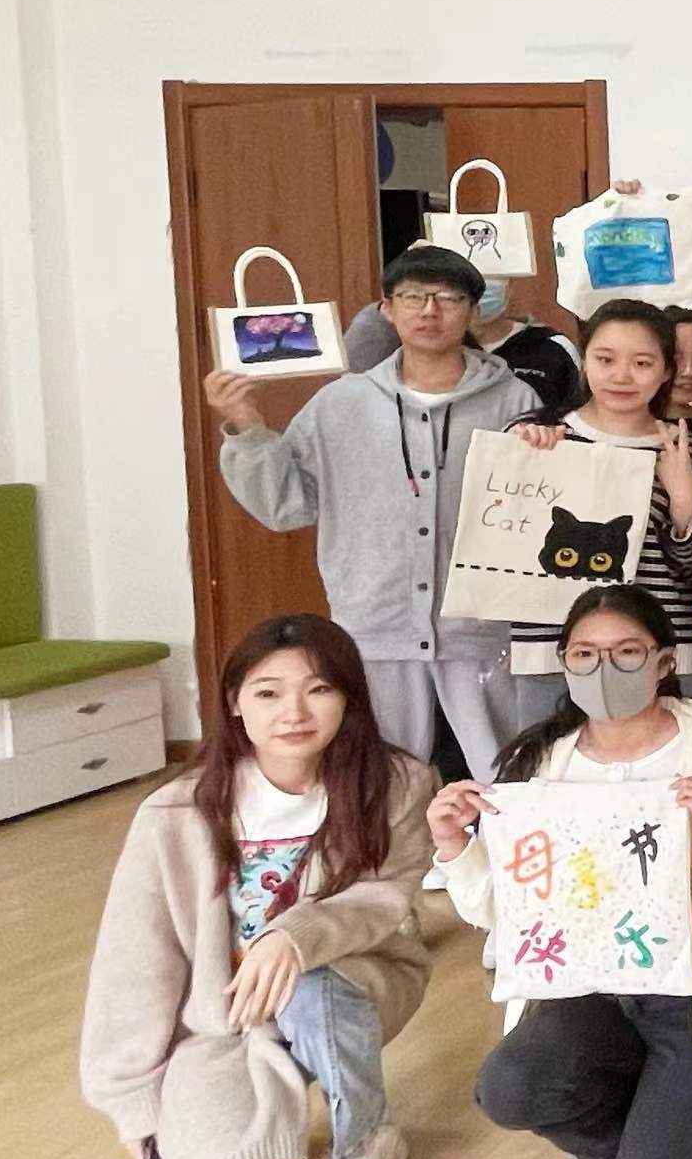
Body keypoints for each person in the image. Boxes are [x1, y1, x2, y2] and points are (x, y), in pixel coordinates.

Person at [432, 587, 692, 1159]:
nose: (604, 669)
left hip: (689, 999)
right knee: (509, 1087)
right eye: (584, 655)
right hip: (591, 994)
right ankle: (622, 1132)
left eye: (626, 652)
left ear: (664, 661)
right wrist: (456, 846)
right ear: (563, 662)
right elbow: (503, 912)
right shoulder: (542, 763)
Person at [80, 614, 435, 1159]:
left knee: (311, 985)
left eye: (318, 689)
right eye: (268, 693)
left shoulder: (395, 785)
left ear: (348, 698)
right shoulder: (175, 813)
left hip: (355, 978)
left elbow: (383, 899)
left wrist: (292, 938)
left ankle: (366, 1139)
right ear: (235, 703)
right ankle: (276, 1115)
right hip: (230, 1017)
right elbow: (134, 963)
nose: (293, 712)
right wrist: (134, 1107)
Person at [206, 243, 531, 778]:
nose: (429, 311)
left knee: (504, 775)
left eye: (448, 298)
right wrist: (246, 426)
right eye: (413, 297)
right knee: (381, 781)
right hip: (376, 624)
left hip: (482, 630)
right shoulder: (340, 403)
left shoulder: (515, 401)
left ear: (474, 311)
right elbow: (287, 505)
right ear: (387, 308)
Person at [501, 300, 692, 729]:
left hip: (661, 653)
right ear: (584, 361)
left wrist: (685, 504)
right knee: (551, 766)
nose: (621, 376)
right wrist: (520, 458)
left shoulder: (689, 450)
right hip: (553, 649)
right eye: (605, 359)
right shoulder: (537, 438)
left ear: (667, 370)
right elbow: (502, 549)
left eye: (642, 363)